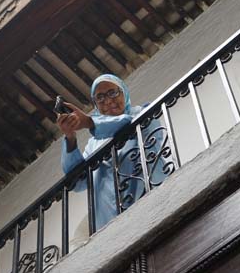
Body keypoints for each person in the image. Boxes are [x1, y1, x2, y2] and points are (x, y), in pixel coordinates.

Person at [57, 74, 166, 230]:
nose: (108, 101)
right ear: (95, 104)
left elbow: (128, 124)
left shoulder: (143, 112)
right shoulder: (93, 144)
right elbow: (78, 182)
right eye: (100, 98)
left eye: (113, 93)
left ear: (124, 92)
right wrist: (70, 138)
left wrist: (88, 122)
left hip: (152, 197)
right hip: (111, 220)